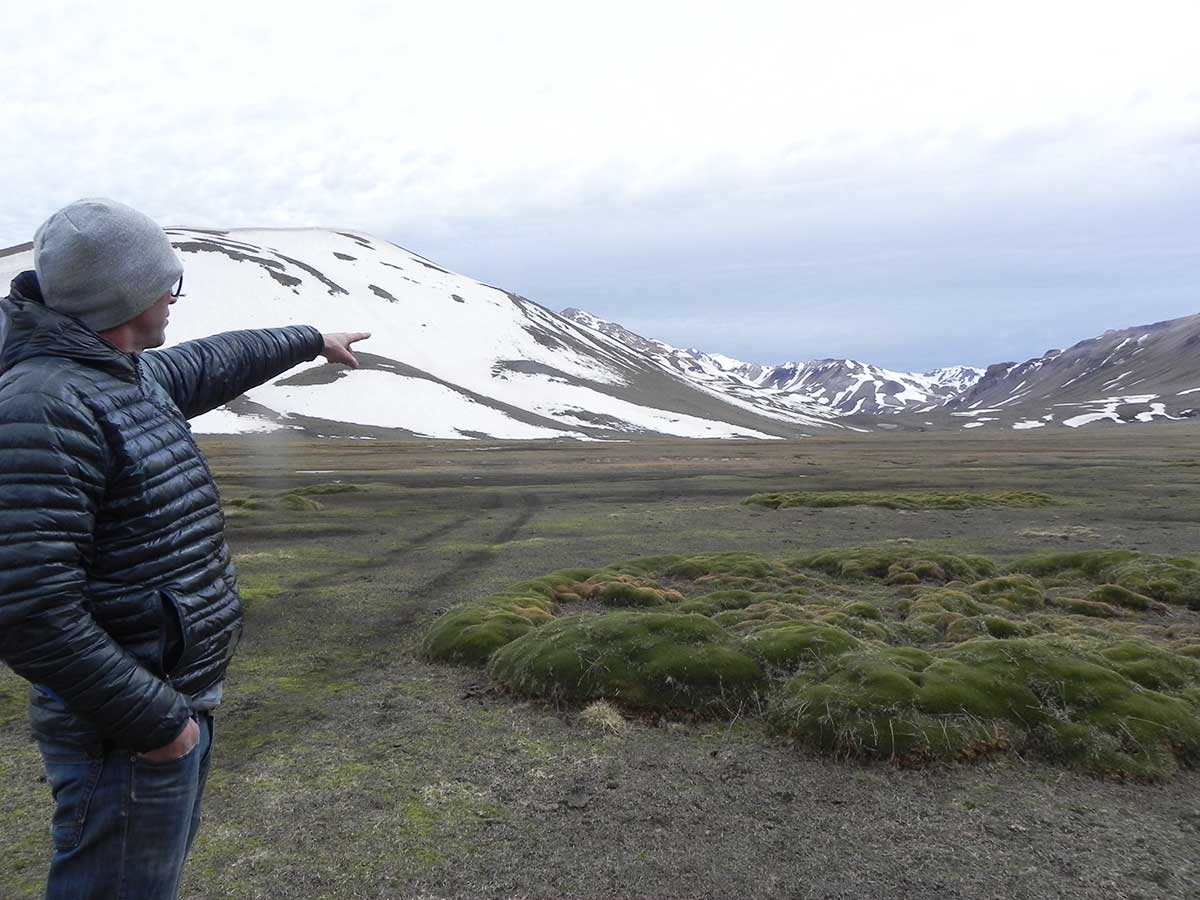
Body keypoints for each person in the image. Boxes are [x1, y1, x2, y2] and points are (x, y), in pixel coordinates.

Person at [0, 198, 370, 899]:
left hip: (166, 701)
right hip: (126, 725)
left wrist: (312, 337)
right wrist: (155, 722)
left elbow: (217, 359)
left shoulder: (118, 374)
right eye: (166, 285)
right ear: (126, 296)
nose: (174, 300)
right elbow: (27, 606)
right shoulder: (44, 405)